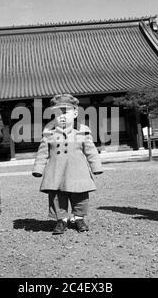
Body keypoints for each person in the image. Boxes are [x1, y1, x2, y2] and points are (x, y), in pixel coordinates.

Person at [32, 93, 103, 235]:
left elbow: (91, 151)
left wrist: (96, 167)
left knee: (80, 196)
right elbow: (42, 153)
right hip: (56, 172)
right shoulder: (49, 134)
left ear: (75, 113)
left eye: (66, 112)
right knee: (57, 197)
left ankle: (79, 218)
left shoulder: (82, 132)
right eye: (58, 113)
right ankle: (61, 220)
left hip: (77, 172)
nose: (62, 116)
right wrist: (38, 169)